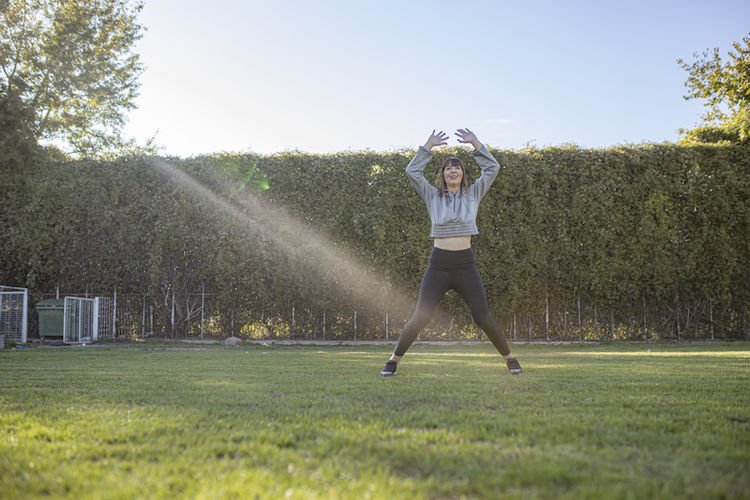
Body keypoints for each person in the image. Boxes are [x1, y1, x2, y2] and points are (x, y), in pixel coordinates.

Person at [380, 129, 523, 377]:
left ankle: (510, 358)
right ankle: (393, 360)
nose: (453, 171)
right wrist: (427, 147)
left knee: (482, 316)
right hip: (439, 266)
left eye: (457, 168)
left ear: (462, 174)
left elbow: (492, 168)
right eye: (448, 168)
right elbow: (412, 172)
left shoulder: (473, 194)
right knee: (421, 316)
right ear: (443, 175)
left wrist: (475, 144)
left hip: (465, 265)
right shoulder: (432, 195)